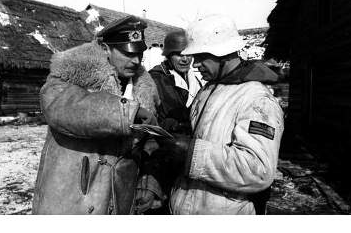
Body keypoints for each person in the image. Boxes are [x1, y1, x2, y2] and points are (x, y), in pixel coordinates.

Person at [32, 15, 163, 214]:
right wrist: (126, 112)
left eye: (139, 53)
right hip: (71, 204)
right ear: (105, 49)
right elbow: (60, 108)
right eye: (127, 53)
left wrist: (148, 183)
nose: (135, 61)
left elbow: (149, 147)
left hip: (119, 203)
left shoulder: (144, 90)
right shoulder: (70, 75)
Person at [163, 14, 284, 214]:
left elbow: (258, 170)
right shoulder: (207, 90)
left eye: (201, 57)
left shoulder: (257, 100)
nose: (195, 64)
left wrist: (192, 153)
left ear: (223, 53)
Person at [145, 30, 204, 213]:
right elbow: (149, 120)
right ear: (169, 55)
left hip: (188, 154)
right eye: (179, 54)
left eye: (188, 54)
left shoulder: (196, 79)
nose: (185, 59)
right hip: (163, 153)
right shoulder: (155, 79)